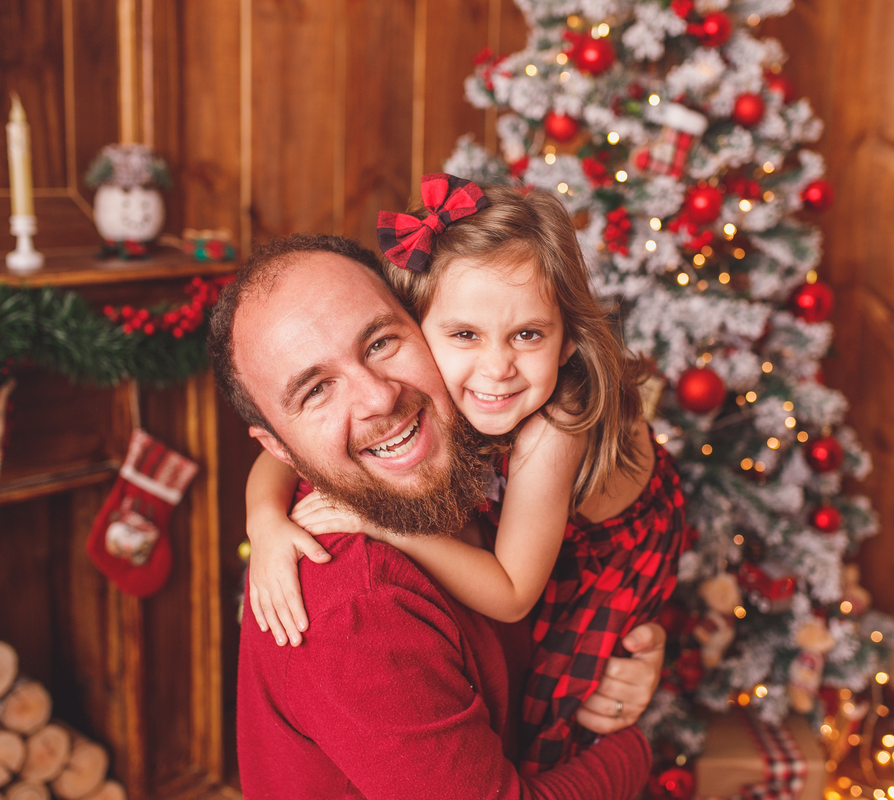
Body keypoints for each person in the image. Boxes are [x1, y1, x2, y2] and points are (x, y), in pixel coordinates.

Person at [243, 175, 694, 774]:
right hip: (538, 551)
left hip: (604, 565)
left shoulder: (552, 425)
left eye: (528, 334)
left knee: (552, 731)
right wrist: (265, 521)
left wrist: (383, 524)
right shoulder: (423, 388)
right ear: (417, 326)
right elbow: (278, 452)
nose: (498, 368)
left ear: (566, 342)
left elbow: (510, 594)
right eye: (464, 335)